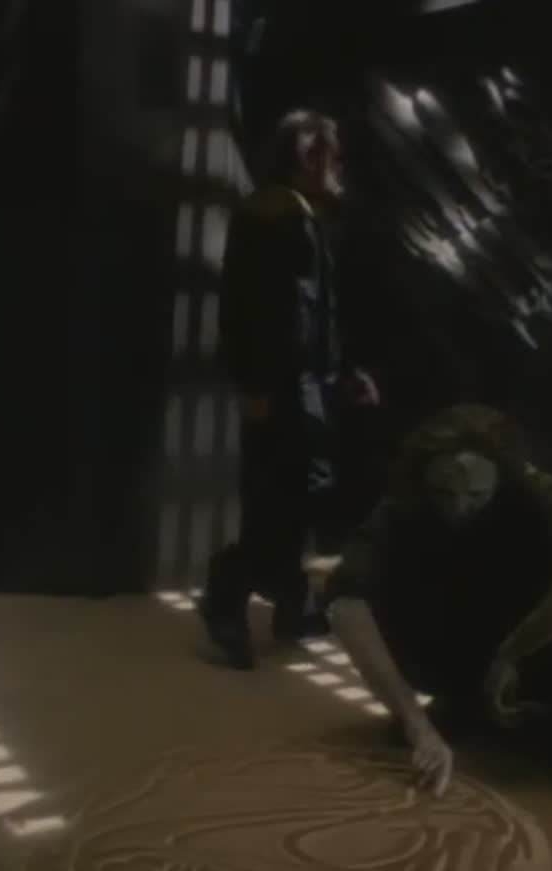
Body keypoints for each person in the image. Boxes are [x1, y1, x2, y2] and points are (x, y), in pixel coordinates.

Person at [321, 404, 552, 797]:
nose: (458, 508)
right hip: (461, 629)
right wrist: (415, 723)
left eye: (475, 495)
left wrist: (512, 653)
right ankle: (467, 698)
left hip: (538, 636)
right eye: (443, 493)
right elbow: (346, 603)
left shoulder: (540, 493)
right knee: (379, 589)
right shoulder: (405, 502)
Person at [200, 108, 380, 670]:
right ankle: (225, 600)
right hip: (283, 388)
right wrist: (256, 384)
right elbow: (249, 309)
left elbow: (315, 314)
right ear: (305, 157)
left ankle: (292, 606)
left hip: (303, 387)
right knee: (280, 505)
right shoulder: (275, 216)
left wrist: (342, 373)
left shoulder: (297, 216)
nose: (336, 165)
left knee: (301, 501)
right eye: (327, 155)